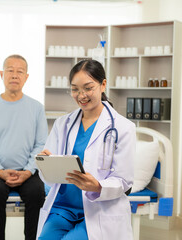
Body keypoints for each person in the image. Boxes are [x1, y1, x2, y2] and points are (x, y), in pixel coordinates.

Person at [36, 59, 135, 240]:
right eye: (75, 89)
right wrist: (46, 166)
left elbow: (124, 181)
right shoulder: (63, 124)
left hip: (100, 209)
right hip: (63, 208)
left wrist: (97, 186)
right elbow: (49, 179)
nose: (81, 95)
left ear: (103, 84)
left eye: (88, 88)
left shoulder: (123, 127)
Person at [0, 54, 48, 240]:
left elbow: (41, 144)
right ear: (2, 74)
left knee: (36, 194)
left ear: (26, 77)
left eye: (20, 71)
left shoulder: (37, 108)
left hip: (28, 171)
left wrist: (27, 171)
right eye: (10, 70)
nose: (15, 75)